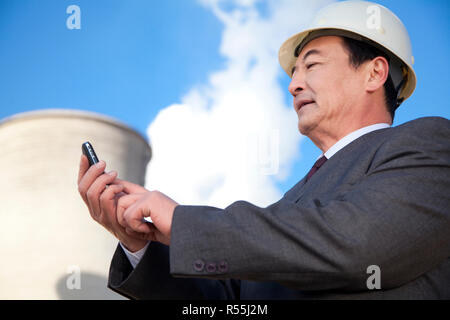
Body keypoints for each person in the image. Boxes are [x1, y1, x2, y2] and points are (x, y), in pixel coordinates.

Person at [78, 1, 450, 299]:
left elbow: (361, 244)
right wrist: (138, 244)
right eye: (292, 74)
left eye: (312, 65)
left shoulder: (430, 144)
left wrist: (182, 222)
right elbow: (233, 301)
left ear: (374, 73)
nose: (294, 85)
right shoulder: (288, 206)